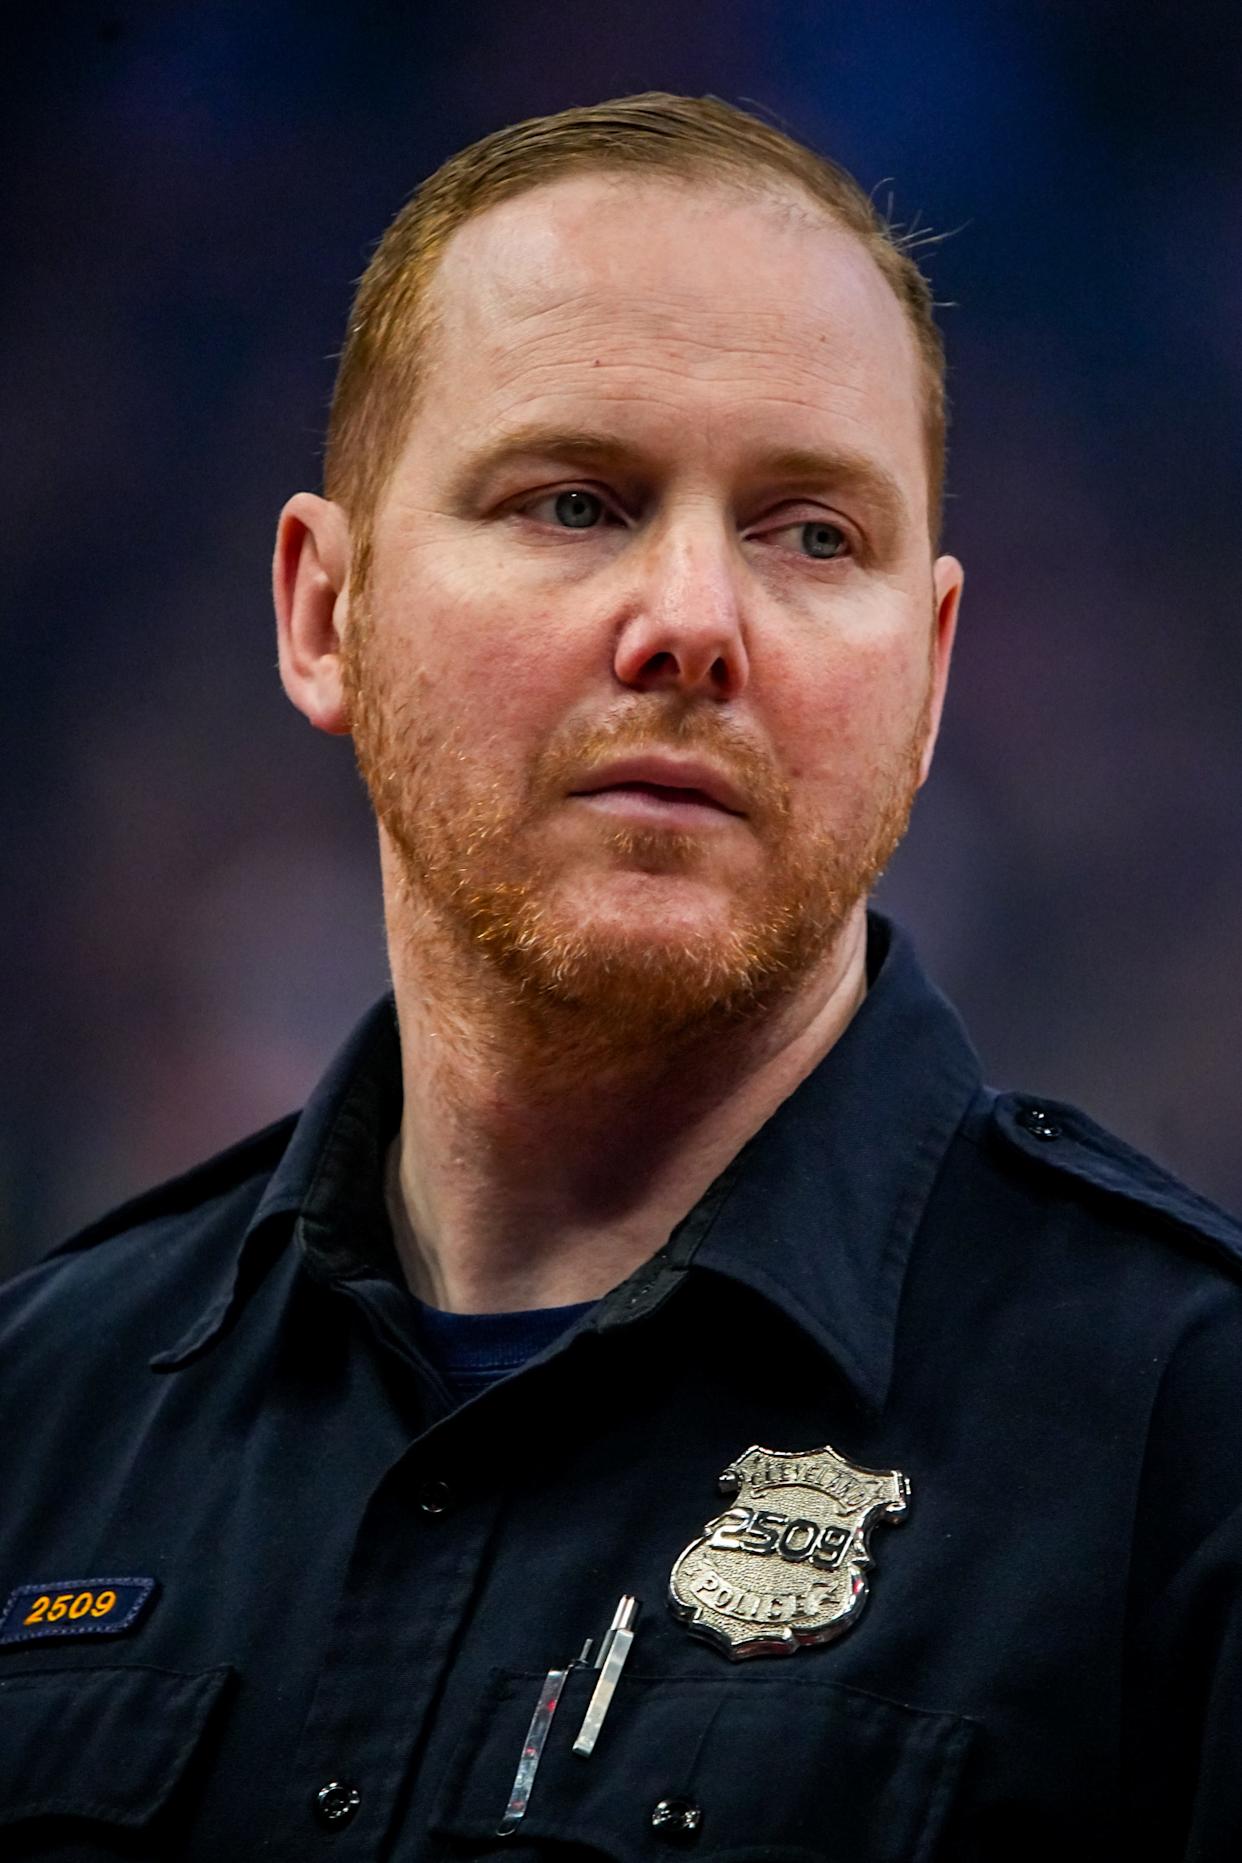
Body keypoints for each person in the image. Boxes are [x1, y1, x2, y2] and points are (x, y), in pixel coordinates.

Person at [2, 92, 1240, 1863]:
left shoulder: (1186, 1453)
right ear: (321, 615)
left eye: (812, 533)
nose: (692, 619)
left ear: (932, 676)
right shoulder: (37, 1424)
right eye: (574, 500)